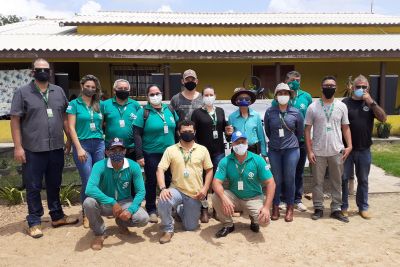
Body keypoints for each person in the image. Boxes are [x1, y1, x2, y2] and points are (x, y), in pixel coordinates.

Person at [10, 58, 78, 238]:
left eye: (46, 69)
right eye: (38, 69)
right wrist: (18, 147)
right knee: (33, 186)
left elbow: (64, 116)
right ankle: (33, 221)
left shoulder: (58, 91)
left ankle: (57, 216)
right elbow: (15, 120)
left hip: (56, 147)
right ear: (32, 72)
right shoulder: (22, 92)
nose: (43, 72)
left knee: (54, 184)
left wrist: (69, 139)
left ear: (50, 72)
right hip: (33, 148)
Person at [83, 138, 149, 250]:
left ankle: (122, 222)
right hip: (105, 204)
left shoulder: (133, 166)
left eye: (120, 150)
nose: (117, 153)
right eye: (113, 150)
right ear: (107, 152)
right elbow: (89, 189)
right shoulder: (99, 165)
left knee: (143, 218)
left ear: (125, 151)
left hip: (125, 202)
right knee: (88, 202)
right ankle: (100, 233)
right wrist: (112, 202)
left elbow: (141, 191)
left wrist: (130, 210)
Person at [304, 76, 352, 223]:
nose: (329, 88)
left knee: (336, 181)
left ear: (336, 88)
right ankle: (318, 208)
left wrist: (349, 145)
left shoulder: (341, 106)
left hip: (336, 150)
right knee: (317, 182)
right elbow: (307, 130)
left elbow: (345, 127)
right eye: (327, 85)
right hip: (318, 152)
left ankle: (336, 209)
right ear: (321, 87)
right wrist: (310, 151)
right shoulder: (312, 107)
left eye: (332, 86)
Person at [156, 120, 213, 244]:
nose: (187, 133)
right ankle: (168, 229)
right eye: (184, 131)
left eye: (190, 131)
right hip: (176, 189)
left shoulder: (202, 150)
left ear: (195, 132)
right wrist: (163, 188)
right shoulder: (171, 150)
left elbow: (209, 170)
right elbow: (160, 169)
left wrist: (205, 189)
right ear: (178, 133)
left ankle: (180, 210)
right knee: (163, 199)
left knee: (190, 227)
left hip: (194, 193)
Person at [212, 131, 275, 238]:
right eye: (237, 142)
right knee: (216, 196)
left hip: (253, 198)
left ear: (247, 143)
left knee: (265, 222)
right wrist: (224, 198)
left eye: (243, 141)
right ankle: (228, 224)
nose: (241, 144)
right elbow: (215, 182)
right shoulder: (225, 161)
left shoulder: (257, 159)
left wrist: (266, 207)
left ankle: (254, 220)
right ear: (232, 144)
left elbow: (271, 183)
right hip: (235, 197)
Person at [341, 75, 387, 219]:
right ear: (352, 88)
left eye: (363, 87)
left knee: (363, 179)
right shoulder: (345, 103)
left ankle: (363, 207)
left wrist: (371, 102)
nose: (360, 89)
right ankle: (344, 206)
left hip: (364, 149)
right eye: (358, 87)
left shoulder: (371, 104)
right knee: (343, 178)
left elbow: (383, 118)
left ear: (368, 88)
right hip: (346, 149)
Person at [133, 84, 178, 223]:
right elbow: (137, 134)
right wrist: (139, 155)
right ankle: (151, 208)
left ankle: (169, 207)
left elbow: (177, 130)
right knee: (152, 181)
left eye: (157, 93)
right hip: (151, 153)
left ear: (162, 94)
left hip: (170, 153)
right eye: (151, 94)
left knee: (171, 180)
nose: (155, 96)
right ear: (147, 97)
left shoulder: (169, 109)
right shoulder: (143, 112)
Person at [67, 74, 105, 227]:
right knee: (88, 179)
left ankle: (98, 208)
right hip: (83, 145)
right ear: (82, 86)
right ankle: (87, 213)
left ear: (96, 90)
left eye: (93, 87)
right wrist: (78, 148)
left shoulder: (99, 104)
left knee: (99, 178)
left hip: (98, 144)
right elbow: (70, 127)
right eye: (87, 86)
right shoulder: (74, 104)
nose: (90, 89)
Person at [191, 86, 233, 223]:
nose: (209, 97)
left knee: (217, 180)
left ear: (215, 95)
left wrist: (229, 134)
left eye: (211, 94)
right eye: (206, 95)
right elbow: (193, 134)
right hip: (202, 153)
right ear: (202, 97)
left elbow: (226, 131)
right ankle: (204, 210)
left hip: (218, 152)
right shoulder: (197, 113)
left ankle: (216, 209)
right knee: (203, 182)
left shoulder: (220, 111)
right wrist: (196, 149)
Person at [271, 71, 312, 212]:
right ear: (286, 80)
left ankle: (297, 199)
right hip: (281, 143)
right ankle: (282, 199)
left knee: (297, 172)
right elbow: (269, 129)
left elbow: (306, 121)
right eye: (293, 80)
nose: (296, 82)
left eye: (298, 80)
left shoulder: (306, 96)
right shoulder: (275, 102)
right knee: (281, 173)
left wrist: (298, 137)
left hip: (299, 141)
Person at [264, 83, 304, 222]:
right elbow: (268, 131)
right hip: (274, 150)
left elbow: (300, 132)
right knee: (276, 179)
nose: (283, 96)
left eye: (285, 93)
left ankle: (290, 207)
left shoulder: (296, 112)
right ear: (276, 96)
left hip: (291, 150)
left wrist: (290, 142)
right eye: (280, 93)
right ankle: (275, 206)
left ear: (290, 96)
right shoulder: (270, 112)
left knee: (290, 179)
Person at [101, 79, 141, 160]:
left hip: (131, 148)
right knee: (112, 172)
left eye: (125, 89)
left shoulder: (135, 105)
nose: (123, 90)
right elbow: (100, 124)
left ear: (129, 90)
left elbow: (140, 126)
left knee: (130, 171)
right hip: (111, 148)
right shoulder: (105, 104)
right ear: (114, 90)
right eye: (120, 88)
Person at [228, 88, 267, 158]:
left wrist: (264, 153)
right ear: (236, 101)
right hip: (238, 150)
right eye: (240, 98)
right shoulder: (231, 117)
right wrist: (228, 133)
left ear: (250, 101)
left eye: (246, 98)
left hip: (254, 150)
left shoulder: (256, 116)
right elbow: (230, 137)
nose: (244, 100)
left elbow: (261, 135)